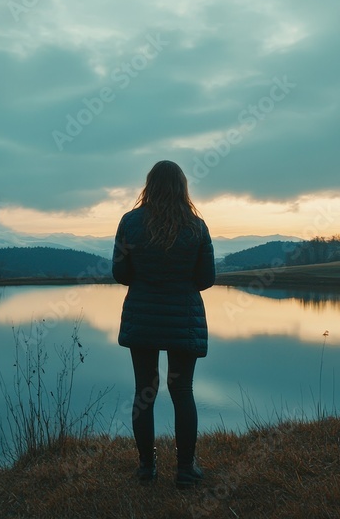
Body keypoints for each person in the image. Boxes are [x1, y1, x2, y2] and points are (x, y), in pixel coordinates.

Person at [112, 160, 215, 489]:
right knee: (182, 391)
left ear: (149, 186)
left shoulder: (130, 222)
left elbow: (120, 274)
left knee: (145, 392)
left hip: (142, 317)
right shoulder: (197, 227)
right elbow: (206, 279)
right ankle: (186, 469)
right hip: (184, 318)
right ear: (183, 188)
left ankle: (146, 468)